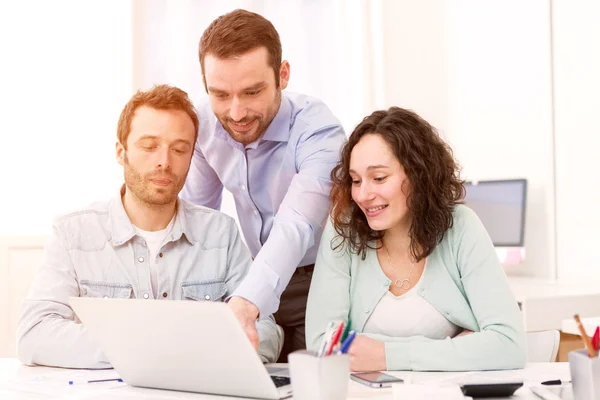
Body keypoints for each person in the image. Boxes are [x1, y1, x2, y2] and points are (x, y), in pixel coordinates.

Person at [16, 84, 282, 368]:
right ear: (121, 152)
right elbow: (35, 333)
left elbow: (265, 328)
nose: (164, 162)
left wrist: (193, 355)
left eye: (179, 149)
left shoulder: (221, 233)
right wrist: (147, 350)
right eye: (149, 146)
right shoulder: (73, 233)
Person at [305, 107, 526, 371]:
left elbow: (509, 345)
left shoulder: (461, 227)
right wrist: (457, 347)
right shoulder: (343, 230)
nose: (363, 195)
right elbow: (323, 344)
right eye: (355, 180)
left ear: (418, 174)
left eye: (378, 178)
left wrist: (386, 355)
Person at [181, 9, 346, 360]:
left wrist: (246, 302)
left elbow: (297, 224)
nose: (236, 113)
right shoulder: (204, 124)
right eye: (220, 94)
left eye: (252, 92)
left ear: (282, 75)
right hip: (251, 275)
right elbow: (197, 221)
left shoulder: (318, 131)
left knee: (309, 381)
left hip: (320, 282)